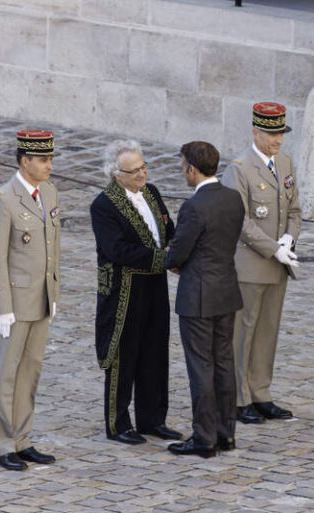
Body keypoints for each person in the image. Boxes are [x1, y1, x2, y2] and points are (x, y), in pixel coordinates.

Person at [90, 140, 181, 444]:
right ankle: (118, 423)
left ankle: (152, 419)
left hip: (154, 285)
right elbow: (117, 249)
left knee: (154, 351)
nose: (142, 174)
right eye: (135, 170)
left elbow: (169, 229)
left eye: (144, 167)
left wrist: (176, 250)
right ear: (117, 175)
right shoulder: (103, 205)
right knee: (123, 354)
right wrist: (164, 258)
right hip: (123, 290)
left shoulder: (151, 193)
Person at [0, 130, 60, 470]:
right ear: (24, 160)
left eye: (50, 159)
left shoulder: (49, 192)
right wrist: (2, 308)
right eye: (43, 160)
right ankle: (2, 444)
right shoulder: (2, 200)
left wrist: (53, 293)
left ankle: (23, 438)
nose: (49, 166)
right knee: (8, 374)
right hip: (15, 302)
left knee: (31, 371)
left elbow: (52, 249)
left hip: (40, 299)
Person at [220, 102, 302, 424]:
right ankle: (238, 398)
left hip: (277, 265)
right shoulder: (239, 168)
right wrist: (273, 248)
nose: (277, 140)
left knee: (267, 332)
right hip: (250, 264)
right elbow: (238, 219)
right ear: (256, 132)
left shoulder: (284, 163)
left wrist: (288, 240)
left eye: (280, 133)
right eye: (270, 133)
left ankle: (261, 393)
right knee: (243, 333)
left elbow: (294, 211)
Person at [165, 141, 245, 458]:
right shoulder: (233, 198)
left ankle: (204, 437)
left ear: (192, 169)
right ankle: (226, 433)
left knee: (201, 368)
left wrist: (174, 262)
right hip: (226, 290)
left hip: (198, 295)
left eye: (183, 166)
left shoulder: (193, 207)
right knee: (224, 364)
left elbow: (179, 251)